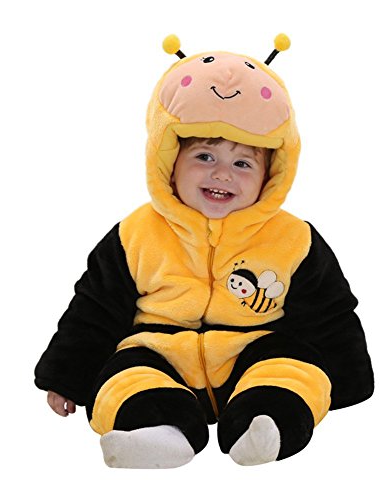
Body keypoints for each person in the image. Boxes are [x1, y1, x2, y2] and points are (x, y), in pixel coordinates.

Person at [35, 35, 374, 468]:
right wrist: (67, 377)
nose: (223, 174)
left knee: (291, 370)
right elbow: (95, 308)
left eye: (242, 163)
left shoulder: (292, 238)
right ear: (168, 160)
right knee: (127, 377)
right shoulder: (136, 233)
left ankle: (265, 426)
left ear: (271, 175)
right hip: (159, 352)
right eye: (204, 157)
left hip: (254, 350)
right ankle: (157, 433)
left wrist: (346, 377)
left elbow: (328, 312)